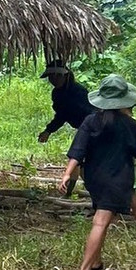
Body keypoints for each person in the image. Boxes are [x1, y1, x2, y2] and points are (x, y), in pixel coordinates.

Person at [57, 73, 136, 270]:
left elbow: (78, 150)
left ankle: (96, 264)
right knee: (101, 222)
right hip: (117, 179)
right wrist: (130, 121)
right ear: (125, 101)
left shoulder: (91, 121)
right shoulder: (129, 125)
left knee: (102, 219)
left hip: (94, 178)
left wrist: (67, 173)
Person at [38, 59, 94, 195]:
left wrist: (49, 130)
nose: (53, 80)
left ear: (65, 75)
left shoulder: (78, 92)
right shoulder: (57, 93)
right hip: (83, 129)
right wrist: (48, 130)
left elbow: (68, 114)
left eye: (57, 76)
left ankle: (95, 193)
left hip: (91, 128)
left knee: (80, 161)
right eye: (51, 77)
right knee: (78, 161)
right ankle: (70, 192)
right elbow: (61, 115)